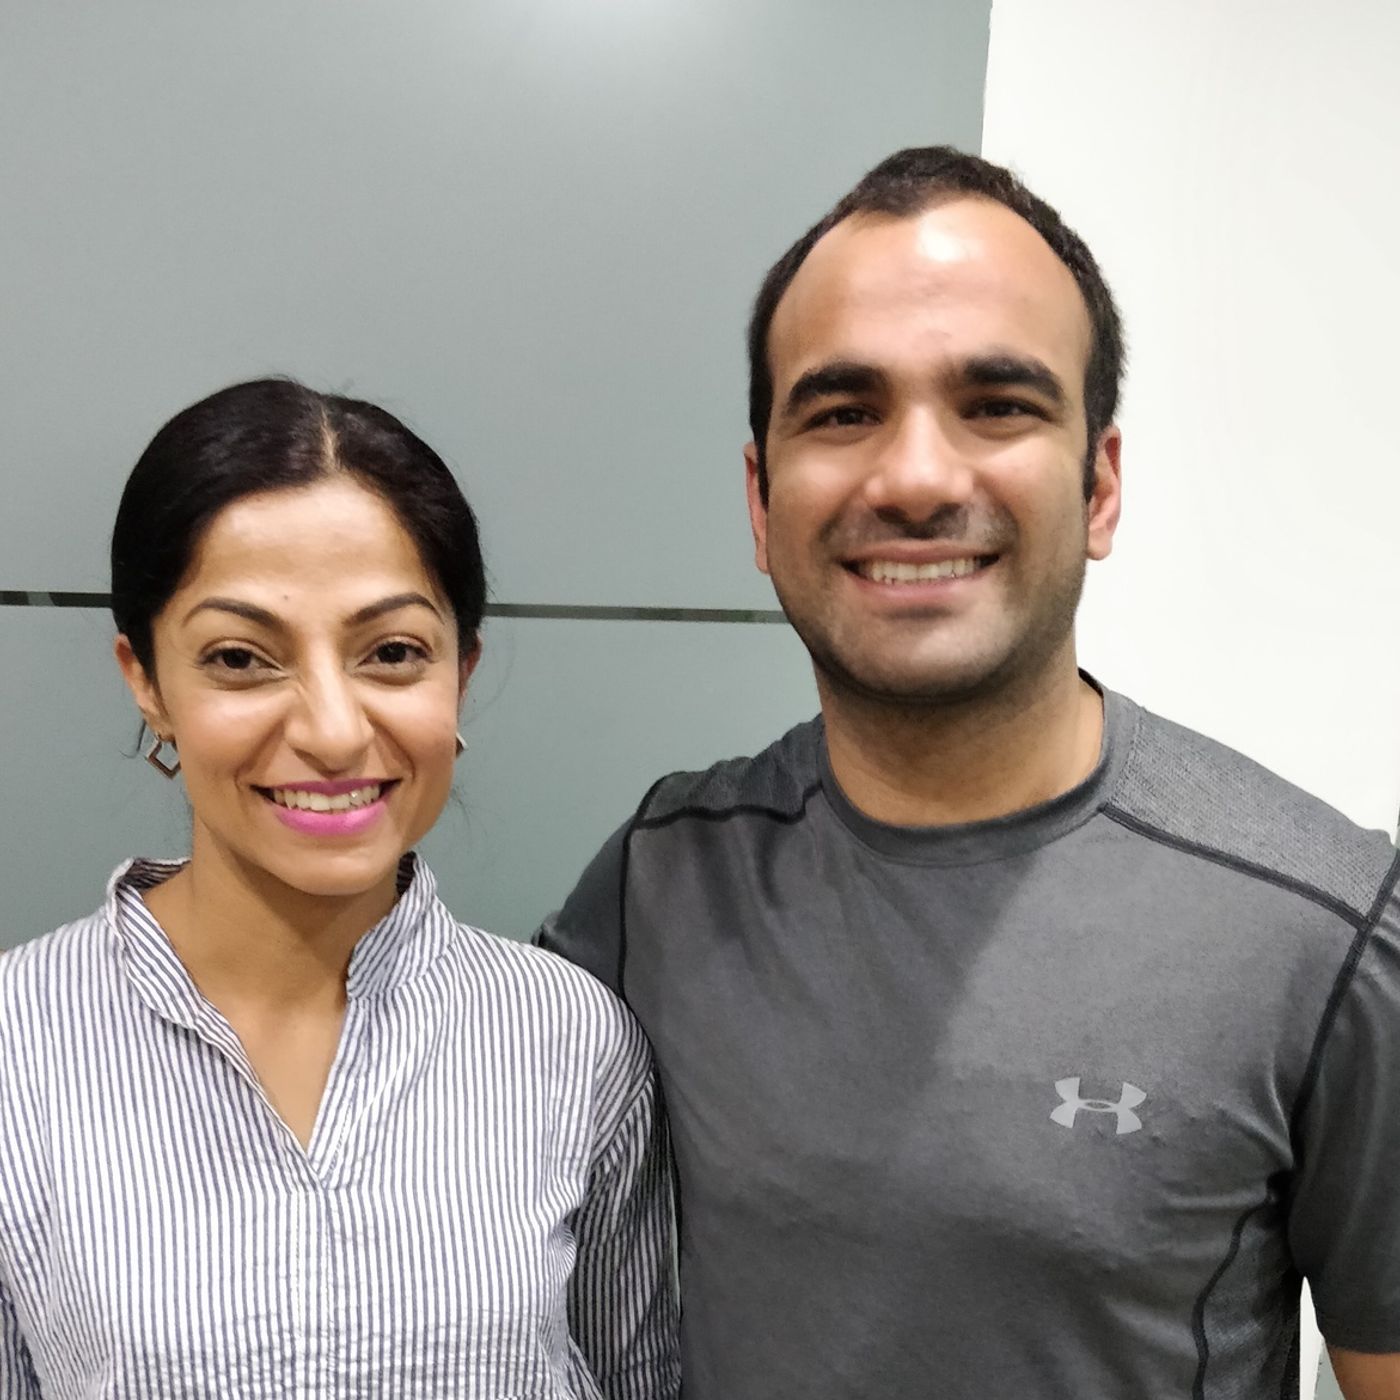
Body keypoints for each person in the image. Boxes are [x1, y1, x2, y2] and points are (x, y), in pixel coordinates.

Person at [539, 148, 1400, 1399]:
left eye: (996, 404)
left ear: (1098, 484)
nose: (915, 478)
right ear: (760, 498)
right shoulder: (657, 880)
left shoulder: (1321, 926)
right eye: (842, 411)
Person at [0, 379, 680, 1399]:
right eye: (240, 658)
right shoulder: (17, 1048)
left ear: (461, 671)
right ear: (146, 679)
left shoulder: (572, 1042)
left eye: (392, 653)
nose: (330, 730)